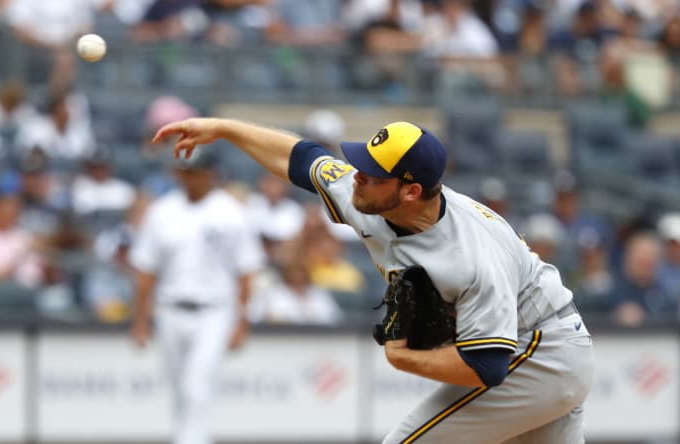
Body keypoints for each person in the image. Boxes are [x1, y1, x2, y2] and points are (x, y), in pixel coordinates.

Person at [151, 117, 595, 443]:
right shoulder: (370, 196)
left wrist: (406, 359)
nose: (356, 175)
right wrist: (225, 129)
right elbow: (302, 158)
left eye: (371, 172)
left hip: (539, 351)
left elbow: (488, 367)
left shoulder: (472, 256)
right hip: (542, 352)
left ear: (411, 191)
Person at [128, 146, 265, 444]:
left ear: (211, 173)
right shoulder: (162, 212)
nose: (191, 178)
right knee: (179, 389)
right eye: (186, 171)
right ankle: (188, 438)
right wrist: (139, 320)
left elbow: (246, 272)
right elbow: (146, 270)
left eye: (197, 171)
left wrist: (242, 321)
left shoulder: (231, 212)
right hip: (170, 309)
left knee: (197, 386)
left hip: (214, 310)